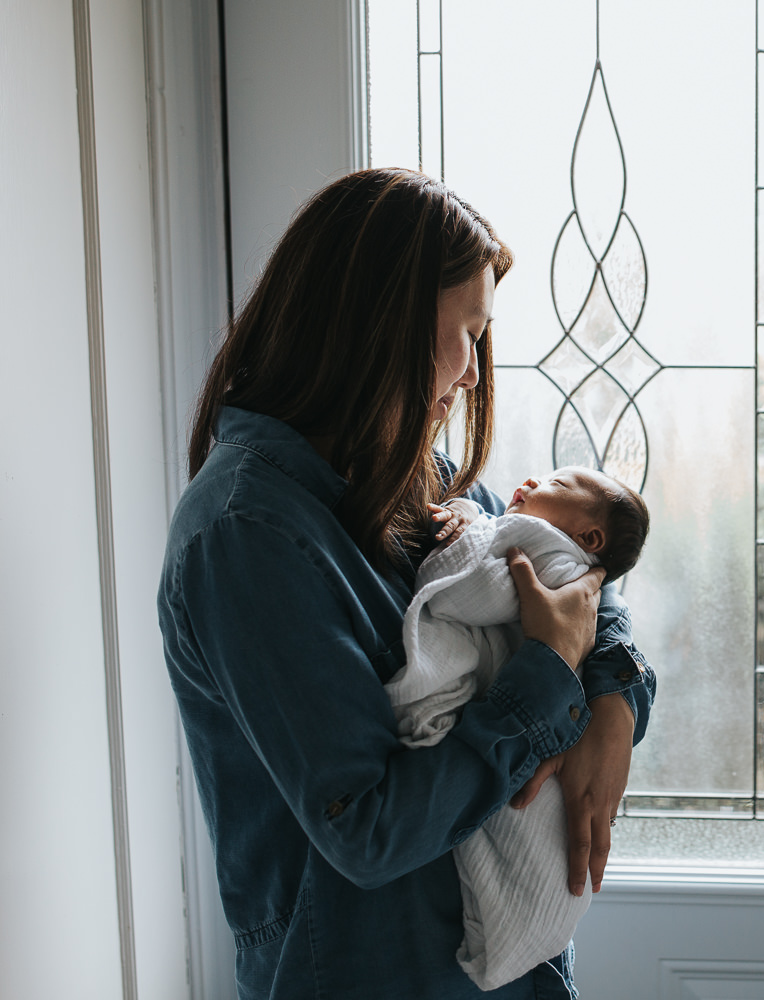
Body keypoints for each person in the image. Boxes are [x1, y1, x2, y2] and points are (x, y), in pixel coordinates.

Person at [157, 167, 655, 999]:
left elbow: (562, 568)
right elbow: (370, 832)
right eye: (468, 330)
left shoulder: (409, 468)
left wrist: (609, 696)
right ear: (376, 329)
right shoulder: (246, 536)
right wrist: (544, 686)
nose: (470, 376)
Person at [389, 467, 650, 989]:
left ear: (589, 538)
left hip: (531, 747)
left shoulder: (538, 541)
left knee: (532, 825)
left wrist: (614, 700)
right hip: (408, 936)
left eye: (555, 483)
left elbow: (465, 594)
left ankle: (518, 932)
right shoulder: (528, 528)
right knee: (513, 835)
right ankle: (512, 934)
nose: (532, 479)